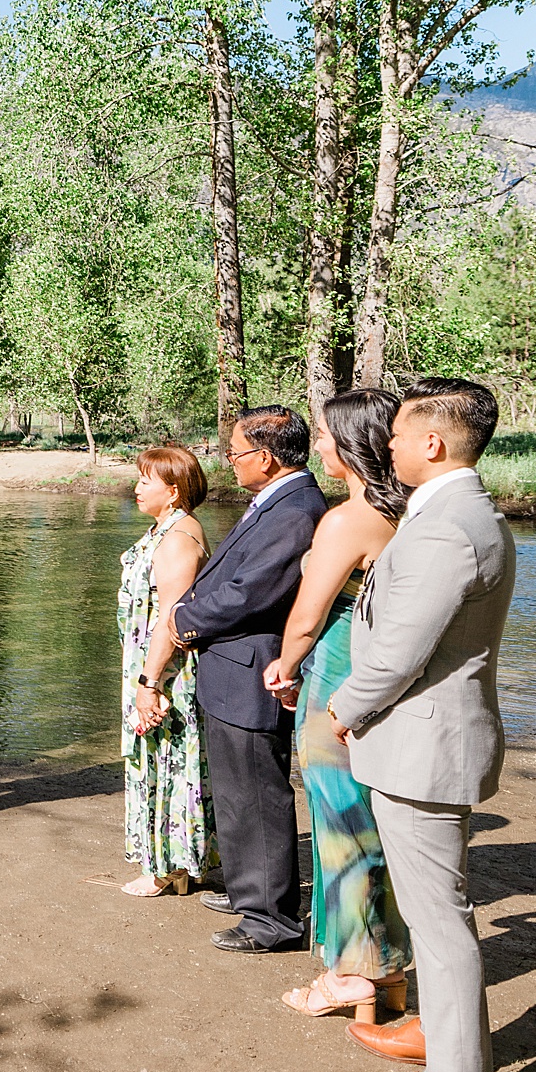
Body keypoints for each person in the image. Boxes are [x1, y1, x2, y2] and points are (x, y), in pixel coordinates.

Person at [324, 377, 516, 1072]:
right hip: (421, 740)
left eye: (400, 436)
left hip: (424, 744)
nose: (391, 447)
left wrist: (345, 707)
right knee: (435, 907)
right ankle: (437, 1029)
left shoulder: (446, 527)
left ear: (433, 444)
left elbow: (403, 647)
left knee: (440, 918)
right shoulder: (452, 513)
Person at [262, 390, 412, 1020]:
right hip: (380, 672)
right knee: (375, 827)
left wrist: (285, 666)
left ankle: (351, 973)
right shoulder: (406, 510)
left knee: (340, 828)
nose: (317, 444)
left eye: (325, 434)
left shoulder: (348, 519)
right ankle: (389, 968)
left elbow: (309, 612)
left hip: (337, 671)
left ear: (352, 442)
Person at [168, 406, 327, 954]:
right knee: (237, 791)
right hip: (233, 668)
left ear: (264, 457)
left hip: (253, 668)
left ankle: (271, 920)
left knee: (257, 794)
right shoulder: (278, 502)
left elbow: (253, 591)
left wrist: (185, 619)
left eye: (234, 453)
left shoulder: (296, 510)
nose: (229, 463)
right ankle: (247, 892)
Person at [114, 443, 215, 897]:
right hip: (151, 666)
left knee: (160, 761)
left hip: (164, 671)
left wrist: (149, 683)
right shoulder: (170, 529)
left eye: (145, 481)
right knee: (165, 759)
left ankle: (160, 869)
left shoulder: (177, 539)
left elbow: (172, 619)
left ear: (172, 492)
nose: (136, 488)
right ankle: (180, 864)